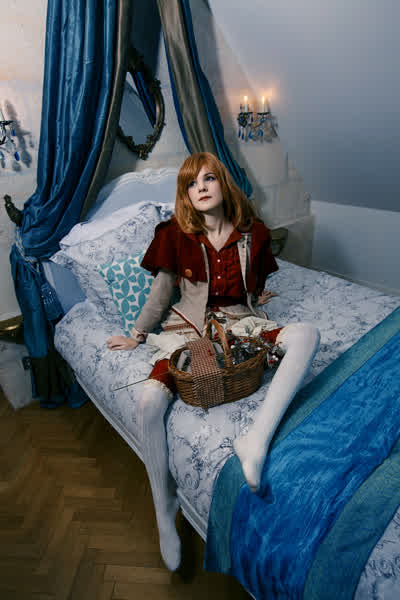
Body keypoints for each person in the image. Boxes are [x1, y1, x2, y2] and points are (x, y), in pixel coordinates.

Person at [107, 152, 320, 571]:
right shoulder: (174, 234)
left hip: (238, 325)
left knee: (307, 335)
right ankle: (164, 511)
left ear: (223, 183)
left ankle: (255, 441)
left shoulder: (254, 233)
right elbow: (161, 294)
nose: (201, 187)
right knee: (148, 403)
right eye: (191, 183)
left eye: (208, 179)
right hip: (188, 330)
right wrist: (136, 335)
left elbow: (254, 284)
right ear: (185, 194)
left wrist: (257, 299)